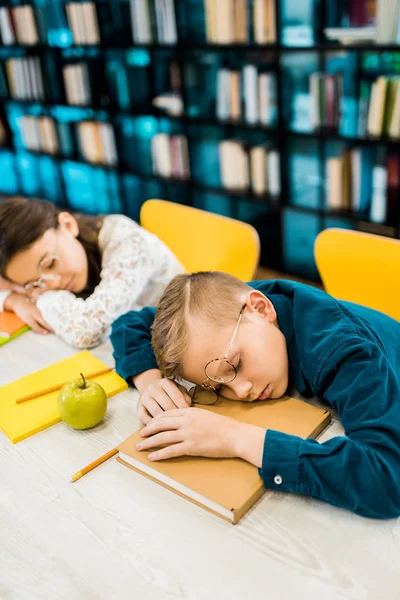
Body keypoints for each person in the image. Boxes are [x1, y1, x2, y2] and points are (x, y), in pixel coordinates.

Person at [110, 271, 400, 519]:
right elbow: (131, 322)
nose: (241, 390)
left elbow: (386, 478)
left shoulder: (342, 351)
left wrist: (234, 438)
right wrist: (150, 383)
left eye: (236, 365)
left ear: (262, 309)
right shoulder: (232, 312)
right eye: (218, 388)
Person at [0, 196, 184, 348]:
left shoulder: (130, 244)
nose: (54, 284)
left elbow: (87, 332)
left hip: (184, 341)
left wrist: (36, 298)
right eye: (34, 283)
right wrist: (13, 299)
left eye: (50, 264)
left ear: (68, 224)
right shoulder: (61, 265)